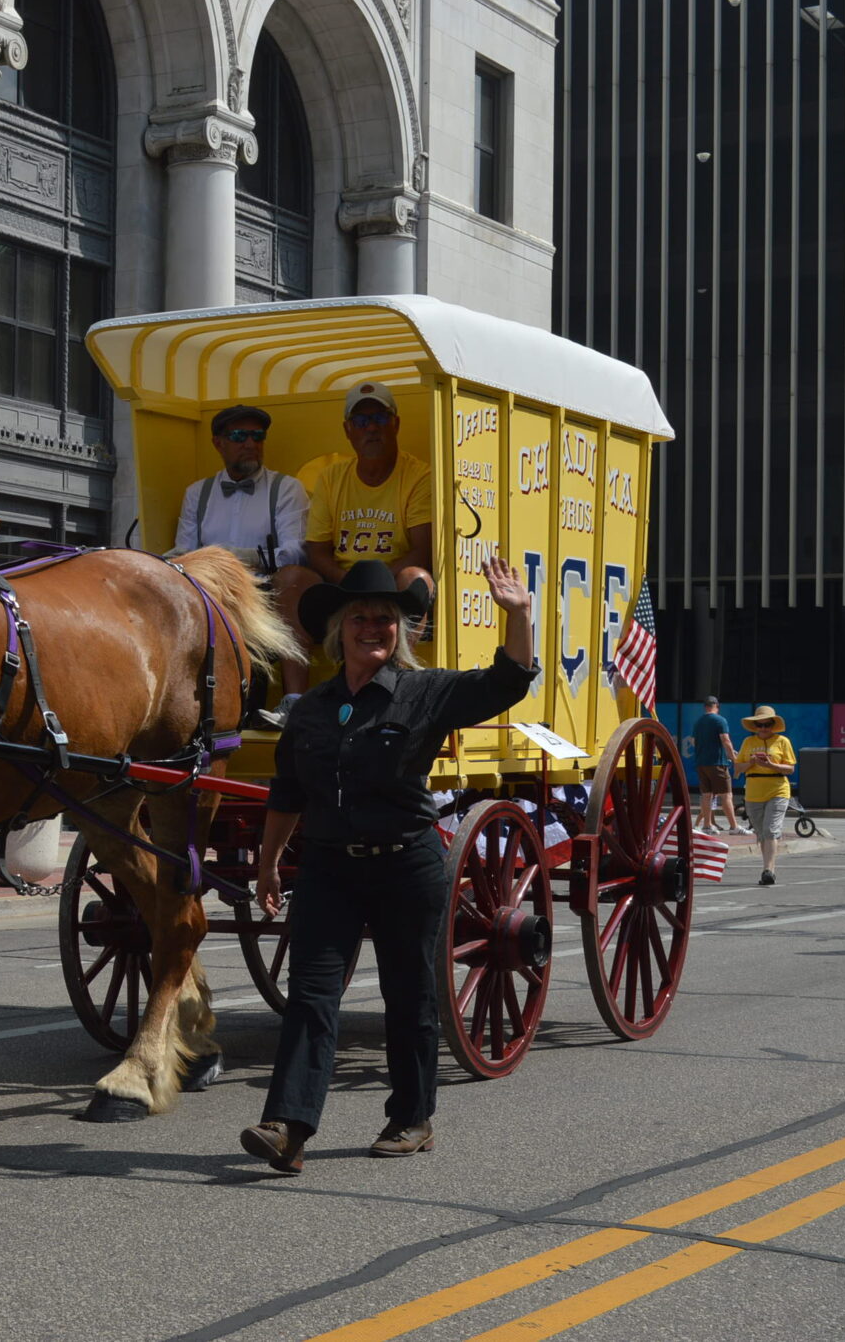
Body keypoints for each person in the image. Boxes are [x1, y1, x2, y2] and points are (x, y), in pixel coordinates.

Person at [238, 555, 537, 1175]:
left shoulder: (423, 692)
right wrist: (268, 864)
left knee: (409, 994)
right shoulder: (312, 709)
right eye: (359, 619)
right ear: (337, 631)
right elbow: (288, 793)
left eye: (385, 619)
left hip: (406, 865)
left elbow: (505, 685)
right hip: (328, 868)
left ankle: (412, 1117)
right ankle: (288, 1128)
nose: (372, 627)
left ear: (400, 631)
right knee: (312, 995)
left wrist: (520, 615)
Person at [273, 379, 437, 717]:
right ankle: (294, 702)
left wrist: (373, 584)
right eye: (361, 421)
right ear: (348, 430)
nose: (371, 428)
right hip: (342, 586)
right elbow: (316, 550)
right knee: (290, 576)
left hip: (393, 588)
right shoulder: (332, 478)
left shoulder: (419, 476)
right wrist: (349, 583)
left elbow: (421, 551)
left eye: (380, 418)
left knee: (417, 577)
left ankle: (394, 692)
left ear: (396, 423)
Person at [172, 404, 313, 706]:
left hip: (262, 596)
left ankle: (279, 702)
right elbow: (185, 551)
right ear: (218, 442)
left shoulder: (286, 488)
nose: (250, 444)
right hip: (207, 595)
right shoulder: (197, 493)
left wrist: (236, 558)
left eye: (257, 436)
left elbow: (296, 553)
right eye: (239, 436)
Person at [737, 705, 796, 886]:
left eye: (767, 724)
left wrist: (772, 765)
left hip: (778, 789)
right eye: (759, 725)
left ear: (773, 725)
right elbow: (738, 769)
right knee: (762, 833)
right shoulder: (748, 742)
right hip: (753, 791)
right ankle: (767, 866)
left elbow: (791, 768)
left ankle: (768, 870)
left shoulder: (782, 741)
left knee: (771, 829)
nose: (763, 728)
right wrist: (751, 761)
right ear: (755, 726)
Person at [690, 696, 741, 833]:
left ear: (705, 707)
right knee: (726, 795)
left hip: (701, 763)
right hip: (717, 763)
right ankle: (734, 827)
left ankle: (707, 826)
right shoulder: (720, 720)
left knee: (706, 796)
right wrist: (734, 758)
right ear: (717, 706)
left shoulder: (698, 722)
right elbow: (725, 741)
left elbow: (694, 742)